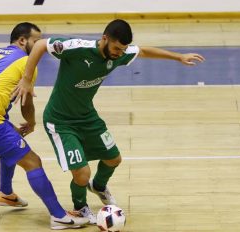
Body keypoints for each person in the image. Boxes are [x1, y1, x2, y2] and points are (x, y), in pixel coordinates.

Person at [12, 19, 205, 224]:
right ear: (105, 38)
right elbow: (41, 45)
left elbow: (144, 52)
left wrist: (179, 57)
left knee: (114, 159)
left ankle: (99, 186)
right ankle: (81, 207)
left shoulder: (119, 55)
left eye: (123, 50)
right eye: (116, 48)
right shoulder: (78, 48)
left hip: (87, 117)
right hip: (60, 122)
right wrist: (26, 78)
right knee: (82, 174)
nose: (119, 53)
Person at [0, 22, 89, 230]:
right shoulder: (27, 63)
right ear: (22, 40)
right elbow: (27, 103)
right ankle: (59, 216)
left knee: (11, 145)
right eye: (36, 41)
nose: (39, 47)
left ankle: (6, 194)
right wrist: (32, 123)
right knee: (33, 162)